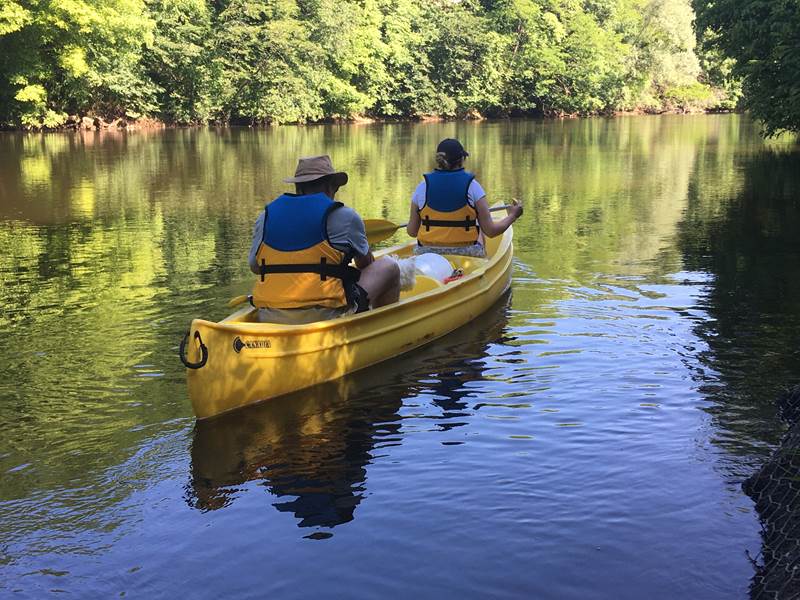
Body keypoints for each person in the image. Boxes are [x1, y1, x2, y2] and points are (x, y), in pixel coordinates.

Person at [248, 155, 400, 324]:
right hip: (324, 316)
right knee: (390, 266)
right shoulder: (345, 216)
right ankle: (381, 328)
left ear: (298, 188)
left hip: (269, 315)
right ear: (330, 186)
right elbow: (365, 264)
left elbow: (255, 266)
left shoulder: (265, 216)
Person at [406, 138, 522, 257]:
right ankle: (483, 264)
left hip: (427, 254)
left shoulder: (422, 187)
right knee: (479, 225)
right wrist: (513, 216)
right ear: (462, 159)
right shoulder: (473, 187)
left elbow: (412, 231)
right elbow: (491, 231)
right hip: (466, 254)